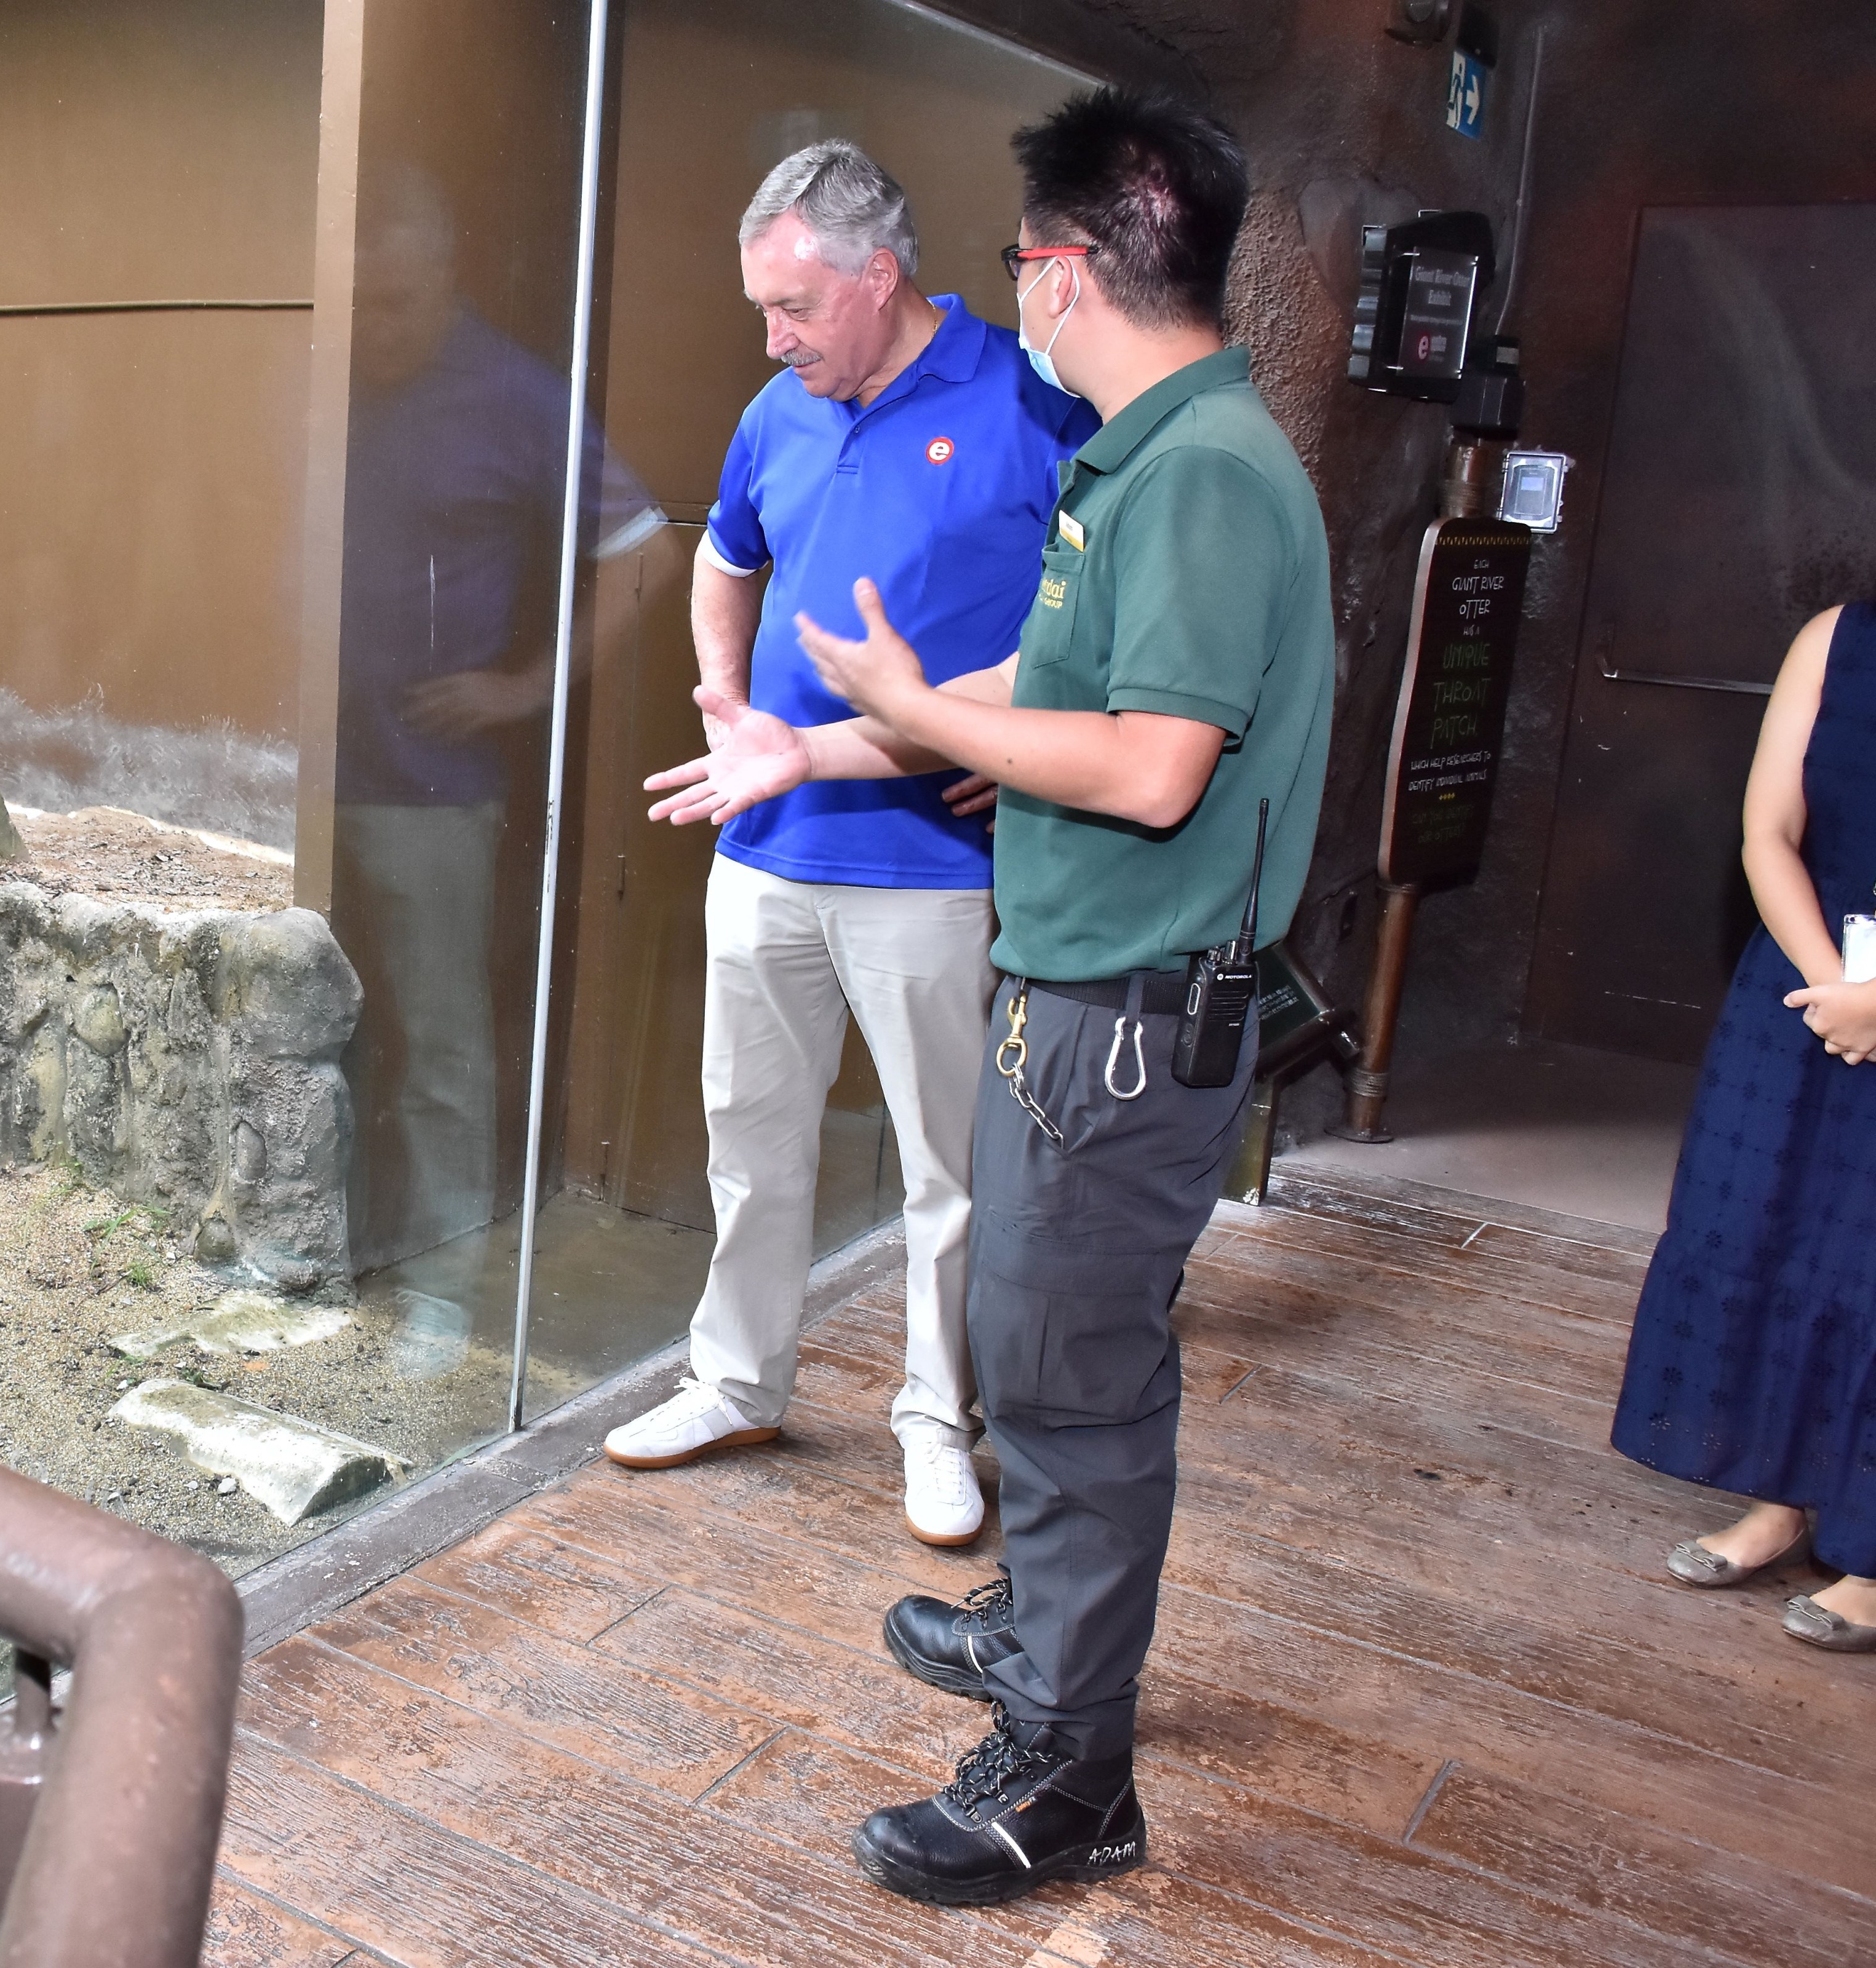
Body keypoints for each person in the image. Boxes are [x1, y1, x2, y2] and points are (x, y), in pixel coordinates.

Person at [697, 91, 1330, 1903]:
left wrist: (931, 709)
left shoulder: (1200, 469)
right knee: (1049, 1369)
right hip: (1088, 989)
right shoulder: (1153, 451)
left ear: (1063, 270)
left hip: (1131, 1009)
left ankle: (1068, 1778)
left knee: (1070, 1391)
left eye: (1020, 262)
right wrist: (921, 720)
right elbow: (1094, 718)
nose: (1017, 295)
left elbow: (1148, 769)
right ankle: (1041, 1640)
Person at [603, 141, 1095, 1554]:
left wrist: (1030, 751)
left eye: (796, 308)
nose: (775, 338)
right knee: (749, 1145)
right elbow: (724, 555)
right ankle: (736, 1380)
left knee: (950, 1169)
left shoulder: (1031, 403)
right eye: (764, 310)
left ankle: (939, 1422)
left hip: (933, 876)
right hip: (764, 846)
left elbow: (1101, 618)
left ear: (880, 279)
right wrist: (731, 698)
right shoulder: (779, 410)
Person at [331, 163, 670, 1280]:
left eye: (397, 304)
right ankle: (335, 1252)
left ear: (445, 276)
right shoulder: (324, 365)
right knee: (318, 1040)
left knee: (438, 1047)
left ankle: (448, 1285)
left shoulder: (516, 394)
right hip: (302, 778)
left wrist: (526, 686)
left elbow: (643, 555)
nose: (374, 330)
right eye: (358, 300)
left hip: (429, 783)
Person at [1612, 603, 1876, 1652]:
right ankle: (1781, 1498)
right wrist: (1833, 984)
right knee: (1773, 1241)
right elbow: (1769, 832)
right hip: (1803, 991)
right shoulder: (1836, 637)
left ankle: (1870, 1552)